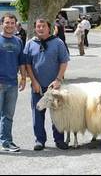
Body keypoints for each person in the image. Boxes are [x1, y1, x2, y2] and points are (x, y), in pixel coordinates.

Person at [24, 19, 70, 151]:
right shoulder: (30, 44)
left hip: (55, 86)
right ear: (35, 29)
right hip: (37, 86)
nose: (40, 28)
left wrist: (58, 79)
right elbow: (27, 65)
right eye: (38, 26)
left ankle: (59, 140)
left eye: (43, 26)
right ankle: (40, 140)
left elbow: (64, 62)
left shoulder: (58, 43)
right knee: (37, 113)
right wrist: (34, 81)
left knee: (58, 113)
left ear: (49, 28)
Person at [0, 13, 27, 152]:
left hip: (12, 84)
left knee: (8, 115)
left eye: (12, 23)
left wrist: (23, 77)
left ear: (15, 25)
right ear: (2, 24)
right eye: (7, 23)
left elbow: (21, 61)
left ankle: (6, 142)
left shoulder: (18, 41)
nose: (9, 25)